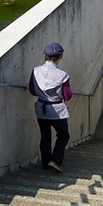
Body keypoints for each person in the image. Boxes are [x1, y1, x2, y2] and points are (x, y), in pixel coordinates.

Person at [28, 42, 72, 173]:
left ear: (44, 55)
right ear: (60, 57)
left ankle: (45, 163)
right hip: (57, 110)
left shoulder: (35, 71)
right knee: (63, 135)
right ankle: (56, 160)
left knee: (45, 136)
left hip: (42, 109)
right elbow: (67, 95)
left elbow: (32, 90)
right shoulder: (63, 75)